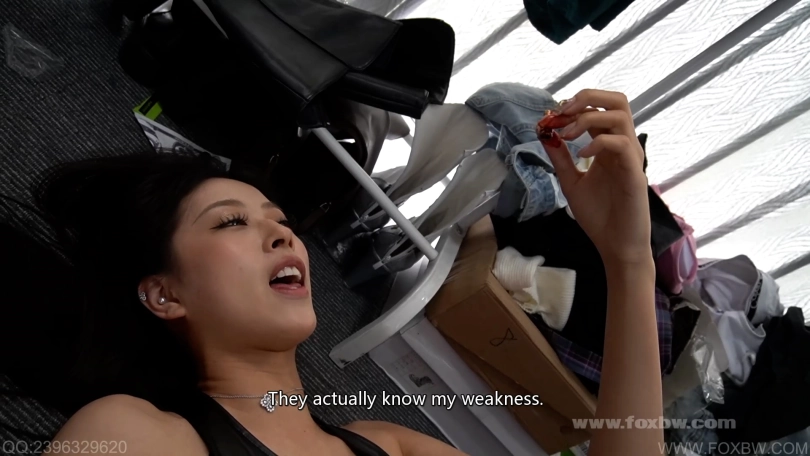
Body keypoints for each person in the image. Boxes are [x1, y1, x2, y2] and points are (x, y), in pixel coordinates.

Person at [43, 89, 662, 455]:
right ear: (163, 294)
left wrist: (629, 260)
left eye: (281, 219)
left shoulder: (390, 444)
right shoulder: (134, 433)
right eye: (231, 222)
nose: (284, 234)